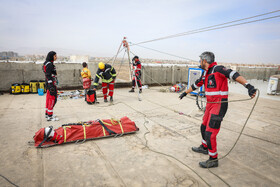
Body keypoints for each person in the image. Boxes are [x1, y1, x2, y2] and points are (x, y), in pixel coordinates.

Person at [179, 51, 257, 168]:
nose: (199, 62)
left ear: (204, 60)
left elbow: (234, 74)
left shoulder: (218, 69)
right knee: (203, 126)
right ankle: (204, 147)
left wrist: (248, 86)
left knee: (210, 133)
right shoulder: (206, 73)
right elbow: (196, 84)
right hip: (210, 104)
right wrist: (185, 92)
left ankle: (213, 159)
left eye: (200, 60)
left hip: (219, 104)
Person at [43, 51, 59, 121]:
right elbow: (48, 75)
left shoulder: (47, 63)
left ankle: (48, 113)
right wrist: (51, 85)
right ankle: (50, 116)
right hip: (51, 84)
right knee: (53, 99)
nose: (56, 57)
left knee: (48, 98)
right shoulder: (49, 64)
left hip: (49, 84)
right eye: (55, 56)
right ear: (51, 56)